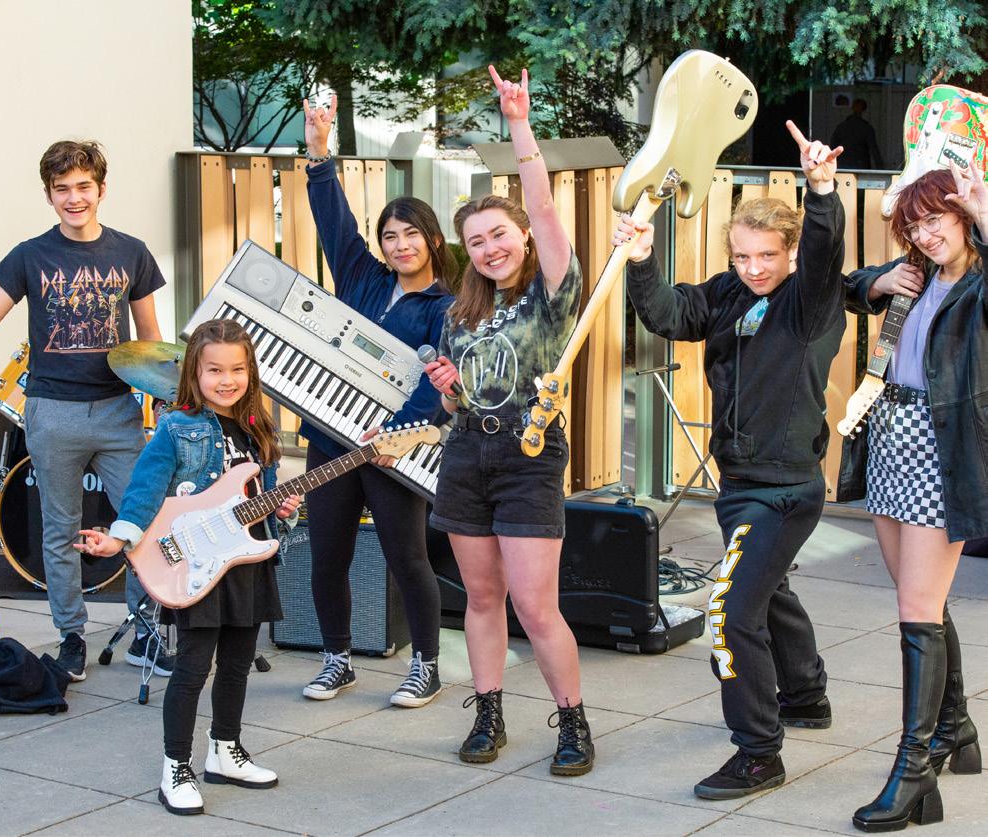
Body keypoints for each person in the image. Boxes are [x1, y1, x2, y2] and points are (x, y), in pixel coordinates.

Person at [615, 121, 846, 799]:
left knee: (729, 611)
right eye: (742, 255)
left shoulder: (809, 301)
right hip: (738, 482)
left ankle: (758, 751)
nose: (754, 268)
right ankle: (804, 694)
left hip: (785, 489)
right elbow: (666, 314)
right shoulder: (725, 293)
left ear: (791, 252)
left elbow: (827, 251)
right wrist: (640, 258)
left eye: (767, 255)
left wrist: (821, 191)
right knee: (765, 589)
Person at [424, 66, 592, 776]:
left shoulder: (553, 290)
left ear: (522, 235)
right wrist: (449, 390)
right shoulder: (459, 310)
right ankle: (488, 711)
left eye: (499, 234)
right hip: (466, 455)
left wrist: (518, 125)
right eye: (476, 241)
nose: (490, 248)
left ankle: (573, 721)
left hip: (529, 455)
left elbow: (545, 205)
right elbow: (455, 406)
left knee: (535, 604)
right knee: (482, 596)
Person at [75, 319, 301, 816]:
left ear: (250, 371)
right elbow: (144, 489)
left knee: (238, 664)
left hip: (245, 559)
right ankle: (175, 766)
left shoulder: (258, 426)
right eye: (214, 370)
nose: (227, 380)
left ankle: (225, 751)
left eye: (237, 369)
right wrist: (120, 538)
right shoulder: (178, 427)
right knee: (193, 668)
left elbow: (258, 494)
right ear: (194, 373)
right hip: (197, 561)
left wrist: (281, 507)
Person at [0, 140, 172, 681]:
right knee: (59, 531)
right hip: (53, 412)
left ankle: (145, 631)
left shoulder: (131, 252)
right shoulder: (28, 255)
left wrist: (165, 406)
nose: (74, 197)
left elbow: (151, 342)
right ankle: (71, 637)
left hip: (118, 411)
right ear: (49, 196)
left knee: (144, 519)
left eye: (83, 186)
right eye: (62, 189)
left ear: (101, 190)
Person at [298, 94, 455, 707]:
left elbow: (434, 385)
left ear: (432, 239)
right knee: (326, 554)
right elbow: (334, 221)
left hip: (394, 452)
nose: (399, 245)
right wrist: (319, 153)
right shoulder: (361, 278)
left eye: (411, 233)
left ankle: (425, 664)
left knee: (406, 557)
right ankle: (337, 660)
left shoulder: (448, 307)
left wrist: (397, 437)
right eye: (390, 236)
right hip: (332, 439)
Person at [843, 162, 986, 832]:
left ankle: (913, 771)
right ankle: (955, 727)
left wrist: (985, 216)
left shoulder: (977, 285)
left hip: (939, 449)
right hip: (890, 440)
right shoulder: (918, 275)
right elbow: (843, 286)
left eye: (936, 219)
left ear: (963, 217)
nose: (926, 235)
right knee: (920, 597)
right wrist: (877, 281)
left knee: (915, 610)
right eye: (915, 225)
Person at [831, 98, 884, 170]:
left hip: (842, 165)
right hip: (860, 166)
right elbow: (874, 149)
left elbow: (833, 146)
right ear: (864, 110)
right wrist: (880, 168)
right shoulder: (866, 127)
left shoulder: (841, 127)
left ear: (852, 108)